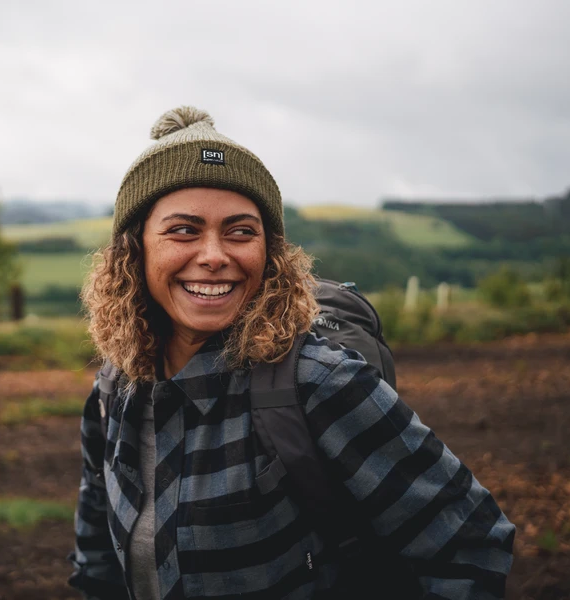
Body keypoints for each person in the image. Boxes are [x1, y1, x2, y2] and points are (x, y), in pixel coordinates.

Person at [68, 106, 515, 599]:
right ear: (135, 250)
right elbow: (97, 550)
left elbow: (471, 541)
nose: (215, 255)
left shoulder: (319, 383)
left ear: (270, 253)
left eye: (241, 231)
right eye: (184, 230)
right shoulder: (117, 386)